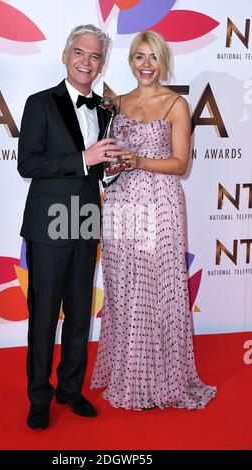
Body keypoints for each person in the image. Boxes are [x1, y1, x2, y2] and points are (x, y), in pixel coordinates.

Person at [91, 31, 217, 410]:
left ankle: (159, 380)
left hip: (160, 203)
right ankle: (127, 373)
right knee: (122, 284)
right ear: (130, 61)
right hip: (120, 202)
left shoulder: (176, 104)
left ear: (164, 62)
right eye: (139, 57)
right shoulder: (116, 103)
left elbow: (180, 164)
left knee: (154, 287)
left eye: (153, 58)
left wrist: (139, 161)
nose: (146, 65)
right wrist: (114, 162)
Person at [18, 24, 122, 429]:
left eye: (95, 56)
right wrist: (83, 157)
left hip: (86, 220)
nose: (86, 61)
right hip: (48, 225)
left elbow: (100, 171)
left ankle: (70, 389)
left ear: (101, 64)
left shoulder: (105, 109)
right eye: (79, 52)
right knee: (43, 314)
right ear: (65, 56)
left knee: (80, 313)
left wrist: (109, 168)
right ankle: (39, 396)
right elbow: (28, 163)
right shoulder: (39, 103)